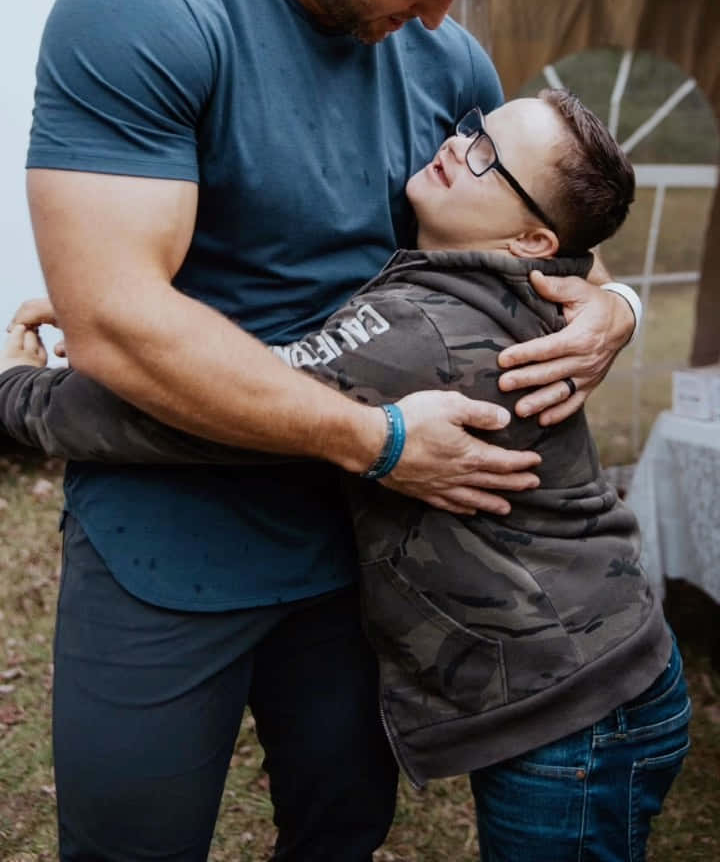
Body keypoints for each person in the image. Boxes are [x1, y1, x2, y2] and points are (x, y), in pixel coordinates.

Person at [19, 0, 638, 861]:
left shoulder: (442, 52)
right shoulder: (146, 12)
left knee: (341, 828)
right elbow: (115, 322)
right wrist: (379, 435)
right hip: (170, 537)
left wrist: (613, 301)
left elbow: (513, 240)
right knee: (130, 843)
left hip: (362, 554)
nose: (443, 18)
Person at [2, 90, 686, 861]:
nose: (458, 146)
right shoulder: (511, 289)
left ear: (530, 238)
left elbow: (213, 407)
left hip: (576, 709)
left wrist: (18, 395)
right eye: (471, 131)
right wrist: (618, 301)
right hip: (598, 674)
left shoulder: (418, 332)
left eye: (487, 159)